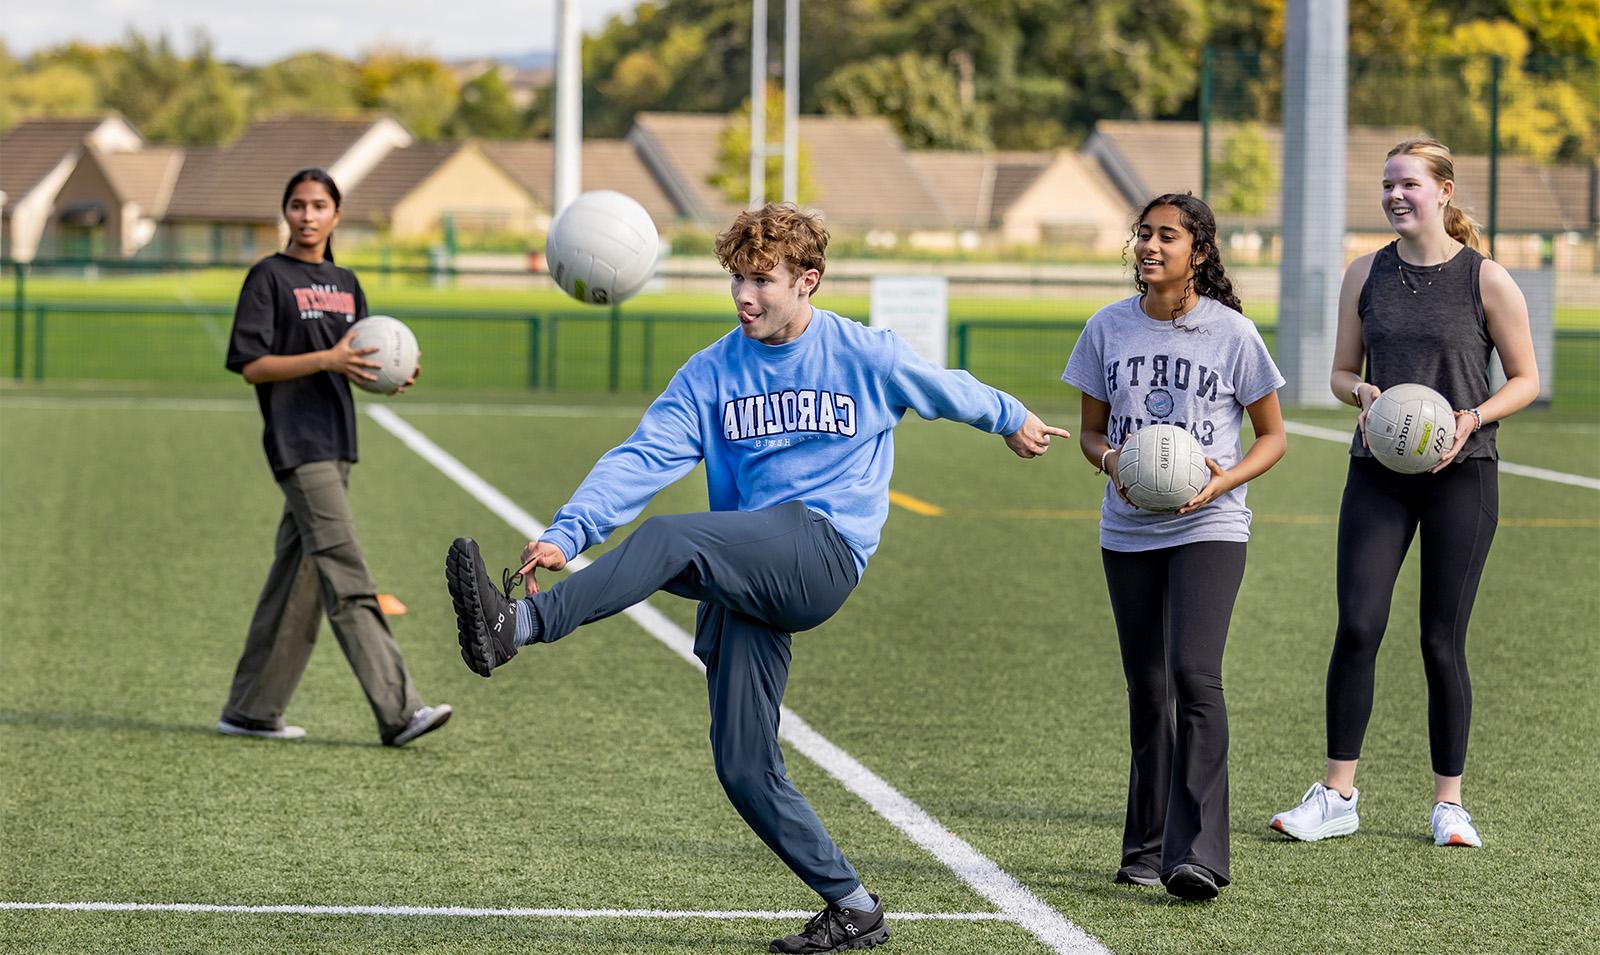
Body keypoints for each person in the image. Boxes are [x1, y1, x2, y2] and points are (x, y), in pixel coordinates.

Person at [445, 202, 1069, 953]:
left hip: (821, 551)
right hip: (748, 566)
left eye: (762, 280)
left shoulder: (861, 352)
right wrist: (566, 532)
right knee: (743, 765)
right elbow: (644, 457)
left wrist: (1012, 418)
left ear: (808, 280)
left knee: (674, 536)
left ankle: (517, 626)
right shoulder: (711, 371)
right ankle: (854, 905)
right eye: (736, 278)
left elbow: (943, 386)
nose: (745, 295)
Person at [1269, 138, 1537, 848]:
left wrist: (1469, 418)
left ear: (1444, 191)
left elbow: (1526, 379)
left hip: (1464, 472)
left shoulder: (1487, 279)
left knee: (1440, 640)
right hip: (1378, 471)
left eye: (1409, 183)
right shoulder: (1365, 273)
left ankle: (1449, 803)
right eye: (1388, 183)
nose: (1394, 194)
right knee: (1358, 625)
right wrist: (1362, 392)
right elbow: (1337, 373)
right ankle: (1336, 794)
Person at [1063, 193, 1286, 902]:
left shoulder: (1232, 334)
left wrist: (1224, 484)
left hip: (1208, 527)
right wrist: (1112, 464)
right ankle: (1145, 848)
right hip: (1127, 530)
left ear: (1200, 250)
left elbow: (1272, 436)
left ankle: (1200, 854)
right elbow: (1090, 433)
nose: (1150, 246)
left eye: (1166, 236)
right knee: (1148, 688)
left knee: (1195, 674)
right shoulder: (1106, 329)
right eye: (1144, 235)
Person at [219, 167, 451, 747]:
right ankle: (400, 711)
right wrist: (326, 359)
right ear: (286, 213)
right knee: (347, 574)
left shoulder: (347, 282)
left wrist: (389, 376)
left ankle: (251, 709)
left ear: (336, 215)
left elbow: (361, 357)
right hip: (297, 444)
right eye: (297, 205)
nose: (307, 215)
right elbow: (253, 365)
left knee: (296, 583)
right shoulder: (267, 277)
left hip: (338, 441)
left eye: (319, 205)